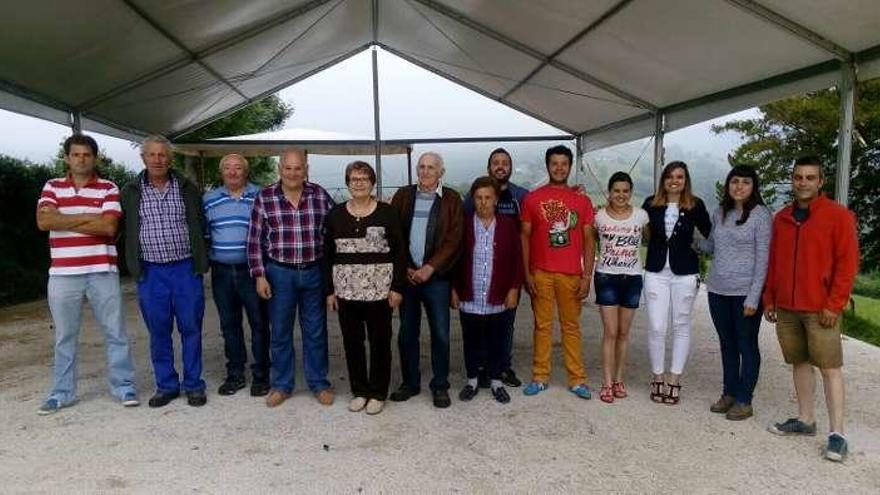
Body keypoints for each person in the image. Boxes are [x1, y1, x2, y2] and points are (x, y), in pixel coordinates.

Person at [763, 155, 859, 462]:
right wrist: (770, 298)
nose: (803, 182)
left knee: (830, 368)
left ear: (821, 182)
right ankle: (805, 420)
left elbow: (847, 264)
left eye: (809, 177)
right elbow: (774, 261)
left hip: (821, 309)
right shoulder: (781, 218)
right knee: (799, 362)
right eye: (798, 177)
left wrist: (834, 304)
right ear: (792, 180)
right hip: (787, 307)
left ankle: (838, 435)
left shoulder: (838, 216)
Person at [35, 134, 139, 414]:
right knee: (65, 336)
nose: (81, 159)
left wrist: (64, 219)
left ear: (95, 158)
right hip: (62, 274)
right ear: (67, 158)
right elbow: (44, 221)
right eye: (76, 154)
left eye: (87, 155)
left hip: (101, 270)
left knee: (115, 332)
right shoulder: (52, 186)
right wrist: (89, 219)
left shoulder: (108, 187)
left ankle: (123, 386)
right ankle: (62, 392)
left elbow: (108, 228)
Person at [121, 135, 208, 408]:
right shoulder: (130, 191)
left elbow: (201, 224)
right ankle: (166, 385)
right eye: (152, 155)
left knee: (191, 328)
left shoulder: (187, 188)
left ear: (170, 159)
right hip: (151, 272)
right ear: (143, 158)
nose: (158, 160)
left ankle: (194, 385)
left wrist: (201, 260)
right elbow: (123, 228)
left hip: (184, 268)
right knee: (158, 331)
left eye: (163, 155)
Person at [247, 149, 335, 408]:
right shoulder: (265, 197)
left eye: (298, 168)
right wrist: (259, 275)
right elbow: (254, 241)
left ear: (306, 169)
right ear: (280, 169)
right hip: (279, 273)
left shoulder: (319, 195)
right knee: (281, 332)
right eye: (288, 168)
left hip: (313, 271)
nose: (293, 173)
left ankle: (319, 383)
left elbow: (334, 230)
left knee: (316, 331)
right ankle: (282, 385)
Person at [324, 161, 406, 415]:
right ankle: (359, 390)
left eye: (364, 178)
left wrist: (397, 287)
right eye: (354, 178)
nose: (359, 183)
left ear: (372, 182)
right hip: (346, 292)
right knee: (352, 342)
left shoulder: (387, 213)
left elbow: (400, 252)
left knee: (380, 341)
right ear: (347, 183)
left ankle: (378, 392)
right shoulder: (335, 214)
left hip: (379, 292)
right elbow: (328, 255)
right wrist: (329, 291)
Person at [520, 145, 595, 399]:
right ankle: (540, 376)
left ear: (570, 166)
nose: (559, 168)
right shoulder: (532, 199)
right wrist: (527, 273)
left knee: (571, 327)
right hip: (540, 272)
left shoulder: (582, 201)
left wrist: (587, 276)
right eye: (555, 163)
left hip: (572, 274)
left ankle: (577, 379)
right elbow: (525, 237)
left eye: (564, 163)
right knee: (542, 326)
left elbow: (588, 241)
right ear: (547, 166)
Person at [389, 151, 463, 408]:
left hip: (437, 279)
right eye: (422, 167)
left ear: (441, 172)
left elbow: (455, 240)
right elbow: (394, 233)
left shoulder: (452, 199)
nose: (425, 171)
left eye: (431, 167)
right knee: (407, 333)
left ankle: (440, 386)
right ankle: (409, 383)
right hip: (408, 277)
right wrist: (406, 267)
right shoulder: (403, 195)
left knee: (441, 334)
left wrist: (431, 267)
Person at [698, 165, 771, 420]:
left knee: (746, 344)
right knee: (727, 344)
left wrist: (754, 297)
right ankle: (728, 393)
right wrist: (689, 238)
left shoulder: (761, 216)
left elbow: (763, 260)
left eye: (746, 182)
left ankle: (744, 399)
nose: (739, 186)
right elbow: (711, 246)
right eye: (734, 181)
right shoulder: (720, 213)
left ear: (754, 187)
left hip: (745, 294)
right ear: (728, 185)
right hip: (717, 290)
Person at [642, 161, 711, 405]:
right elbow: (641, 232)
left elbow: (711, 233)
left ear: (686, 180)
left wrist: (700, 247)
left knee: (681, 324)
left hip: (685, 272)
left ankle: (674, 379)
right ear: (663, 180)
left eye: (679, 177)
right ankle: (657, 376)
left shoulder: (696, 205)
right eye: (670, 176)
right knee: (657, 326)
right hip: (656, 272)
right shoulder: (651, 204)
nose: (674, 181)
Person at [203, 154, 270, 397]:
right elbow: (205, 233)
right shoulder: (209, 200)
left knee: (259, 324)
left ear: (246, 171)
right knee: (229, 325)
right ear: (221, 172)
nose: (233, 172)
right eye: (228, 168)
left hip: (252, 271)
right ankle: (235, 374)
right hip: (221, 272)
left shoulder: (261, 196)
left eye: (238, 168)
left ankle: (262, 375)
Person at [452, 176, 523, 404]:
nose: (483, 202)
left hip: (497, 295)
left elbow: (517, 260)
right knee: (471, 339)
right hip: (470, 294)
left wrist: (514, 288)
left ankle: (496, 381)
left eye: (488, 198)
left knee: (497, 340)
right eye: (479, 198)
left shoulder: (508, 225)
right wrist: (453, 288)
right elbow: (454, 258)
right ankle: (472, 380)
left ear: (496, 199)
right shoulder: (463, 223)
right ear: (473, 199)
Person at [462, 148, 528, 388]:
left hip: (505, 273)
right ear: (489, 167)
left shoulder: (520, 196)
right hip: (479, 275)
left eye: (505, 163)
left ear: (510, 167)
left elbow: (522, 244)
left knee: (504, 325)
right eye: (496, 163)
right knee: (477, 325)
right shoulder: (471, 201)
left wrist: (516, 284)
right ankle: (480, 369)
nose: (501, 166)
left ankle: (502, 368)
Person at [592, 171, 648, 404]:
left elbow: (649, 240)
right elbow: (591, 239)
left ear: (631, 193)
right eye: (617, 191)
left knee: (624, 334)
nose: (621, 195)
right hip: (607, 277)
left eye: (625, 191)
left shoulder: (641, 216)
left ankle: (618, 379)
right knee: (610, 332)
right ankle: (606, 382)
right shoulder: (599, 217)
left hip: (633, 277)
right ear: (609, 192)